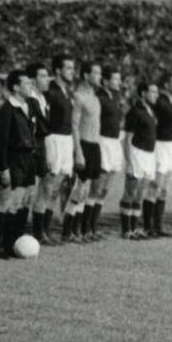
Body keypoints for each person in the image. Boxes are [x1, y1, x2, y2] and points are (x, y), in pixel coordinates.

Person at [0, 70, 38, 258]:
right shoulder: (6, 111)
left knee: (23, 202)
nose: (30, 86)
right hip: (12, 159)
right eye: (26, 83)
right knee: (5, 202)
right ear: (16, 87)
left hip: (28, 159)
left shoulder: (30, 106)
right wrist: (2, 168)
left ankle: (13, 243)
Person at [34, 55, 76, 245]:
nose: (72, 71)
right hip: (54, 140)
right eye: (68, 68)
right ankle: (38, 231)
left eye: (73, 68)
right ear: (58, 70)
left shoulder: (66, 92)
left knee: (56, 188)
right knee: (47, 187)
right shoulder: (50, 92)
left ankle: (46, 229)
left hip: (66, 141)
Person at [65, 61, 102, 243]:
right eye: (96, 73)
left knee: (85, 190)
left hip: (94, 145)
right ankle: (67, 230)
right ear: (86, 75)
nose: (99, 76)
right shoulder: (79, 96)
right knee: (78, 188)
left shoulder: (94, 96)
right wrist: (78, 151)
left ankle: (77, 230)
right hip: (84, 145)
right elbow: (74, 125)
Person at [89, 65, 124, 240]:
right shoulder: (100, 98)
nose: (119, 82)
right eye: (115, 79)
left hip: (114, 144)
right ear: (105, 81)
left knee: (105, 189)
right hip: (102, 142)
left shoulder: (114, 98)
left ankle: (93, 227)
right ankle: (86, 227)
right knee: (97, 187)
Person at [121, 82, 159, 239]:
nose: (156, 95)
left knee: (141, 194)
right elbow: (127, 138)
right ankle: (126, 230)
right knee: (130, 192)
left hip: (148, 155)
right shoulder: (135, 111)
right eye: (152, 92)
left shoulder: (150, 111)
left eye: (157, 92)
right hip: (137, 154)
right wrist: (129, 162)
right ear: (143, 93)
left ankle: (135, 228)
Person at [150, 72, 172, 237]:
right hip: (160, 145)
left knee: (164, 189)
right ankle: (150, 226)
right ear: (166, 85)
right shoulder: (160, 102)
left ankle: (158, 225)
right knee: (156, 186)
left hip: (171, 146)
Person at [25, 63, 51, 245]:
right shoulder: (29, 99)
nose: (46, 79)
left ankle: (38, 230)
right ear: (32, 80)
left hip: (41, 144)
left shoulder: (43, 99)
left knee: (46, 185)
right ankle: (19, 230)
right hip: (31, 145)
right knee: (27, 189)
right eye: (42, 76)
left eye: (46, 75)